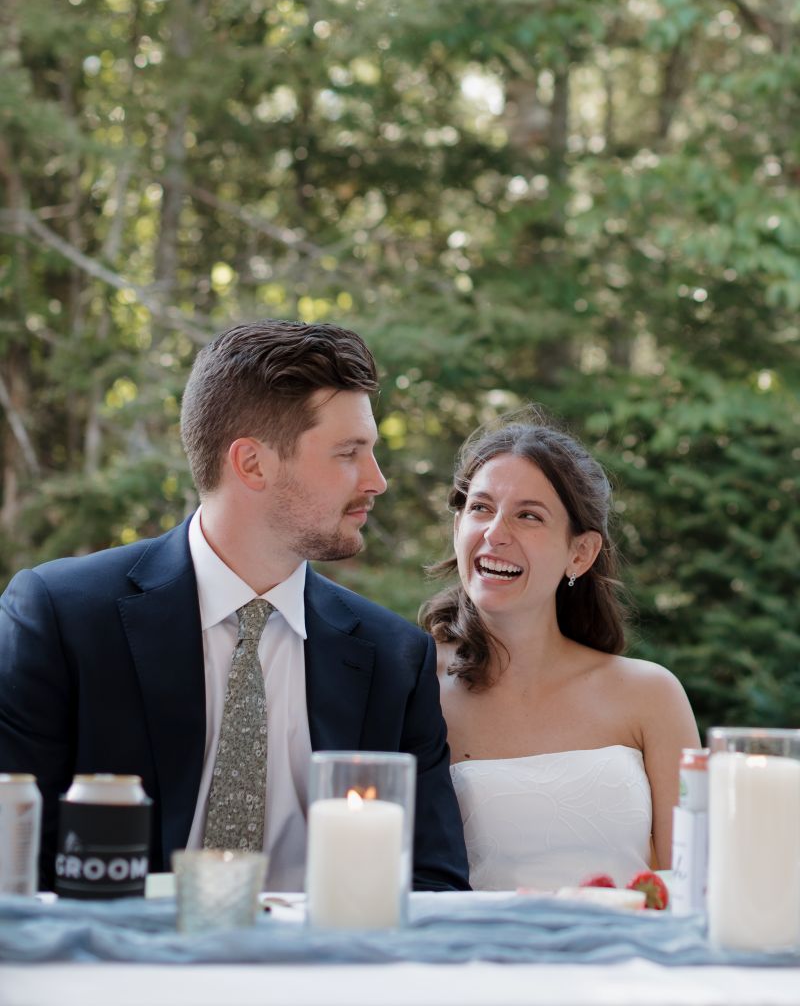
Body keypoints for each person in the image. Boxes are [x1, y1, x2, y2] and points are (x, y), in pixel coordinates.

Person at [0, 320, 470, 892]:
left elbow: (434, 883)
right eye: (349, 453)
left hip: (328, 968)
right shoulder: (60, 616)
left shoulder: (396, 659)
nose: (377, 480)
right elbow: (16, 860)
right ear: (251, 464)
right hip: (120, 964)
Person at [420, 415, 700, 892]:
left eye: (528, 515)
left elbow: (695, 882)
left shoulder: (651, 694)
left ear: (581, 553)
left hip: (630, 959)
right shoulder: (416, 686)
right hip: (474, 960)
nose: (495, 533)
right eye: (481, 508)